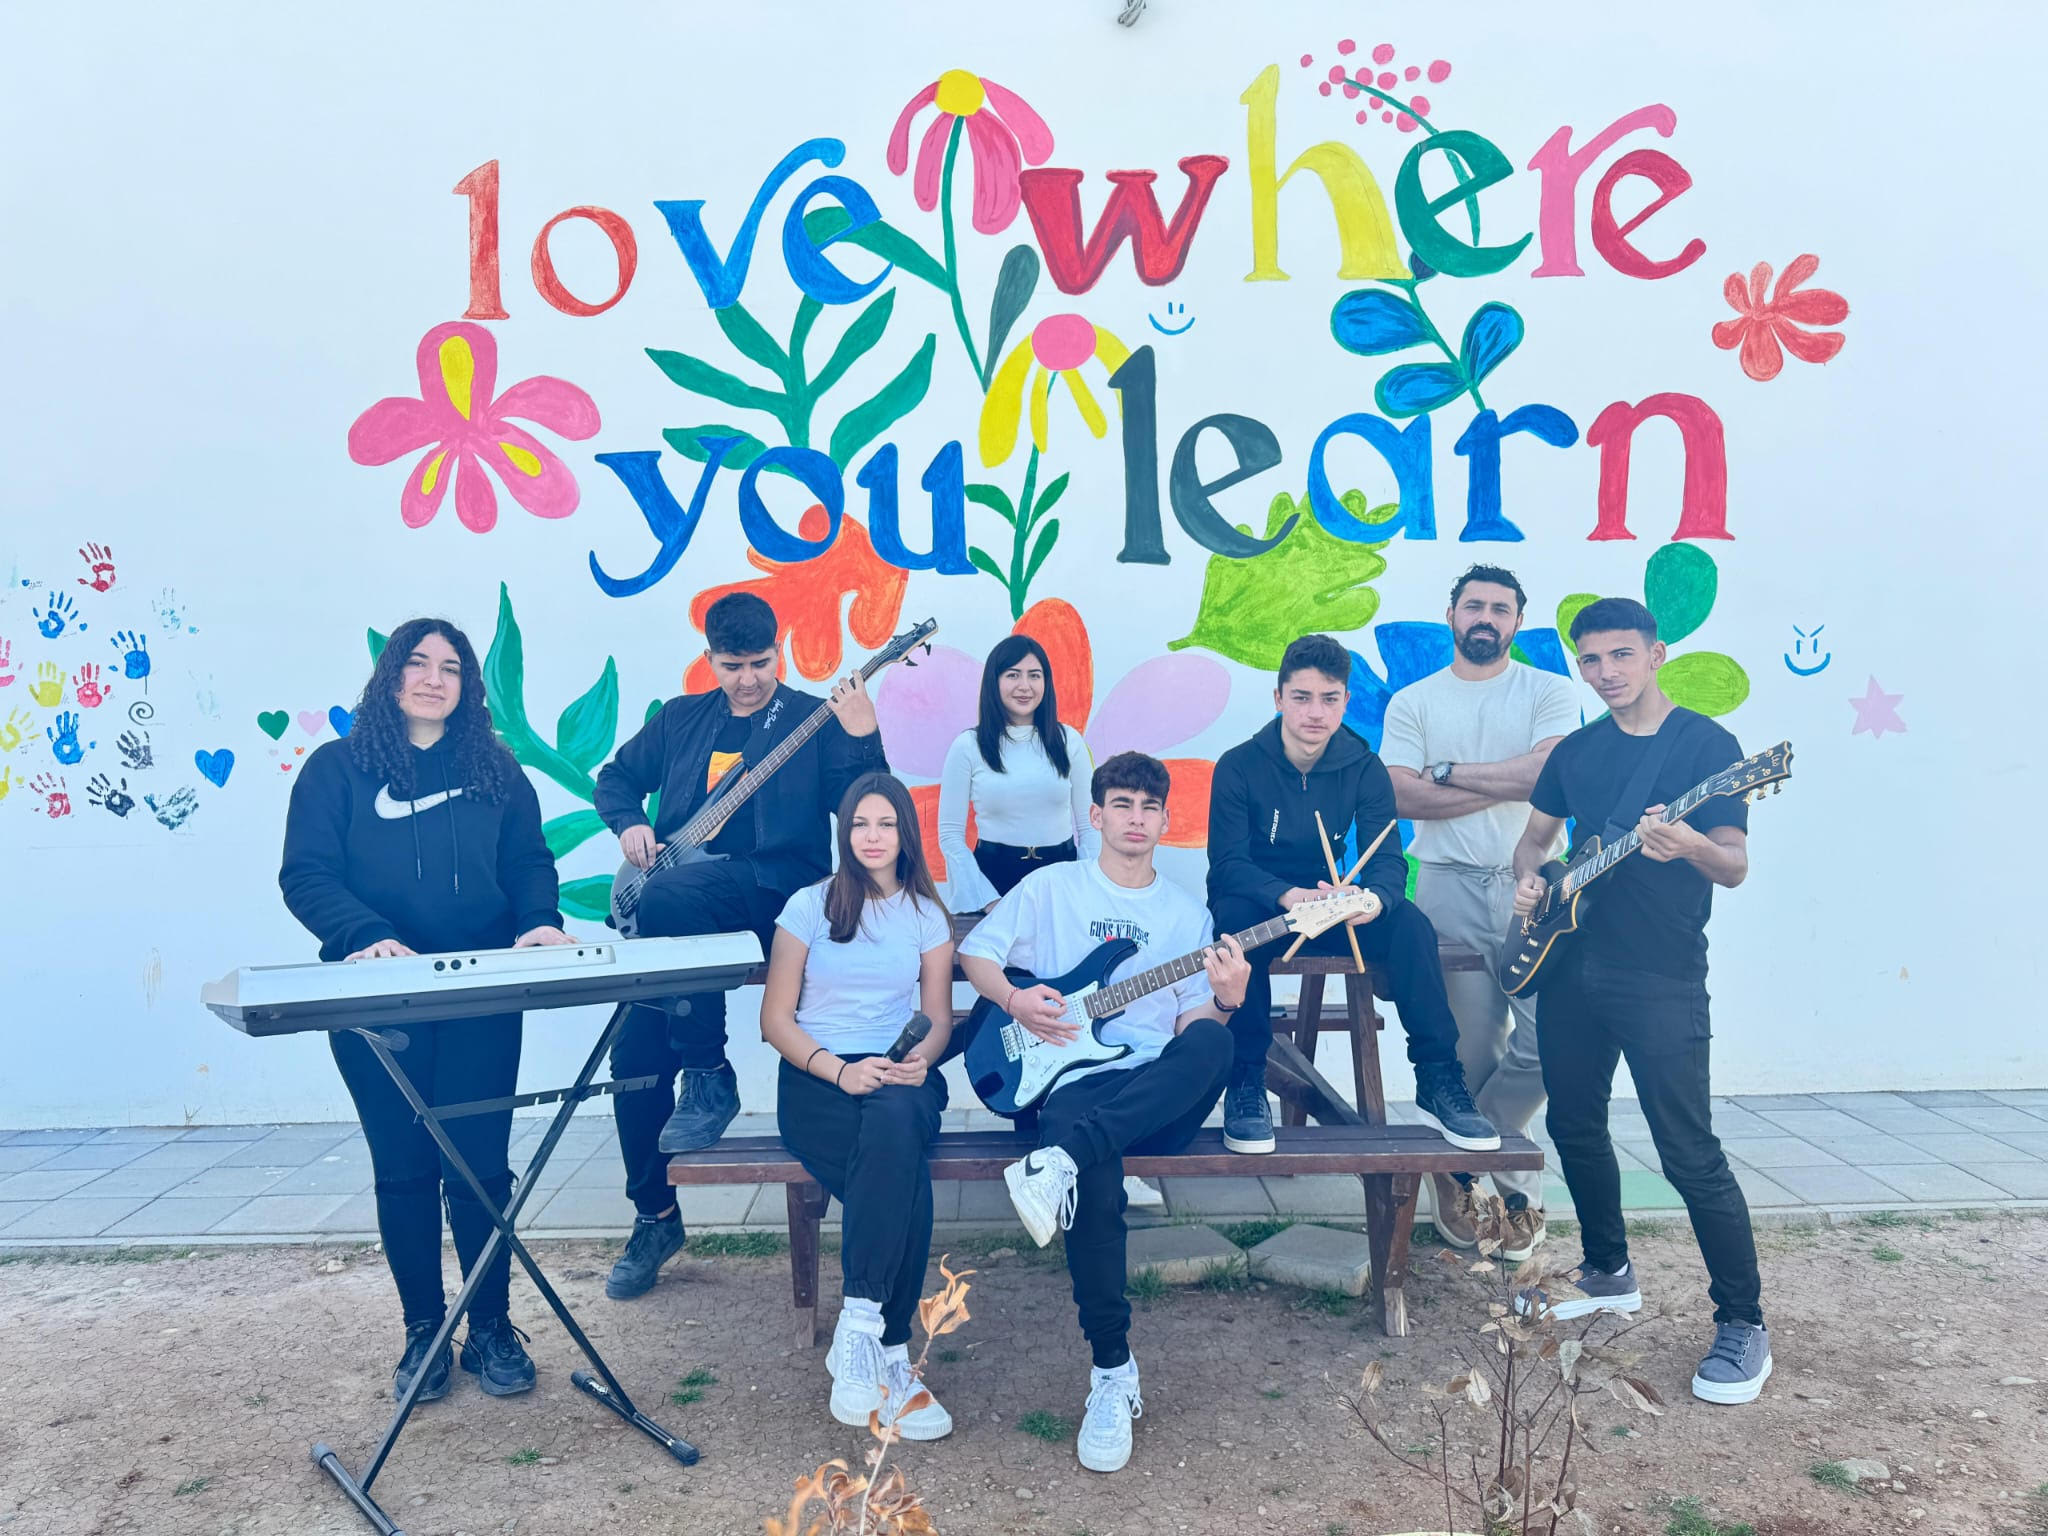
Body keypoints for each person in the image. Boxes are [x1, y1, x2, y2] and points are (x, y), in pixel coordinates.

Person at [280, 618, 577, 1404]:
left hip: (482, 997)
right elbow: (306, 874)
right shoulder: (336, 769)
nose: (433, 679)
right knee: (405, 1168)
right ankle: (425, 1331)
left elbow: (528, 860)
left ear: (467, 686)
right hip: (376, 1000)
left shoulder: (496, 767)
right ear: (390, 675)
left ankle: (491, 1329)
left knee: (480, 1169)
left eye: (450, 668)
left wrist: (538, 921)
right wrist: (364, 935)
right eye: (417, 663)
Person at [959, 752, 1251, 1475]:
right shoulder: (1050, 888)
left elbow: (1190, 1031)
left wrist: (1226, 999)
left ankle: (1058, 1160)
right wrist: (1015, 1000)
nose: (1135, 819)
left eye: (1149, 808)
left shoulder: (1187, 915)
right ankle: (1113, 1371)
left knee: (1216, 1041)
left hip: (1155, 1089)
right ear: (1096, 815)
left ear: (1165, 820)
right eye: (1122, 804)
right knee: (1094, 1167)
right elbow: (977, 955)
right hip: (1073, 1079)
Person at [1508, 597, 1769, 1405]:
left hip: (1661, 975)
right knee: (1573, 1124)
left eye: (1621, 654)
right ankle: (1608, 1270)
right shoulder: (1577, 751)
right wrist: (1531, 883)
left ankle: (1743, 1322)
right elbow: (1535, 842)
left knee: (1688, 1151)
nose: (1606, 672)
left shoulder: (1708, 748)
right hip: (1571, 968)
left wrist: (1689, 845)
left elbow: (1734, 864)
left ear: (1656, 655)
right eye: (1591, 659)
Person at [592, 591, 886, 1301]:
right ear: (710, 660)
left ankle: (708, 1069)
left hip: (771, 891)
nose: (748, 679)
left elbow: (867, 810)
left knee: (670, 898)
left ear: (778, 653)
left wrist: (863, 735)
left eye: (760, 663)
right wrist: (630, 823)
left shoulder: (811, 719)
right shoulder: (680, 718)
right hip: (677, 906)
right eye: (732, 665)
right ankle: (655, 1217)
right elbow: (617, 778)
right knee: (633, 1059)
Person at [1205, 634, 1498, 1155]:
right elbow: (1227, 864)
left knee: (1410, 924)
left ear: (1345, 700)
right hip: (1263, 906)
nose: (1315, 712)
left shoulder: (1364, 768)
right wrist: (1287, 895)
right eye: (1301, 697)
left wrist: (1373, 900)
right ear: (1278, 698)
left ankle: (1438, 1078)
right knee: (1233, 924)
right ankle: (1246, 1082)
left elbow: (1387, 859)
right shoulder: (1238, 765)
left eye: (1329, 698)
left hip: (1331, 903)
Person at [1380, 566, 1580, 1261]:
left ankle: (1461, 1159)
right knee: (1469, 1049)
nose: (1485, 617)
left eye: (1500, 608)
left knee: (1555, 1041)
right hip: (1447, 884)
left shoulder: (1549, 692)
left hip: (1537, 885)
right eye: (1474, 606)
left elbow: (1549, 775)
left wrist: (1447, 773)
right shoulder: (1414, 701)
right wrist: (1509, 779)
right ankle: (1494, 1194)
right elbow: (1400, 796)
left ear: (1517, 621)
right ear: (1452, 615)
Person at [761, 773, 956, 1440]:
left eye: (887, 824)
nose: (873, 837)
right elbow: (776, 1020)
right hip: (818, 1077)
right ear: (844, 833)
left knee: (897, 1119)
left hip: (899, 1071)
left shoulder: (926, 915)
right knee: (904, 1181)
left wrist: (919, 1060)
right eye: (860, 824)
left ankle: (861, 1323)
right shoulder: (808, 906)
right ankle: (893, 1354)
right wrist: (841, 1072)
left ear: (906, 833)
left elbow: (937, 1018)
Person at [938, 637, 1160, 1210]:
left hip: (1062, 875)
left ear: (1047, 683)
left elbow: (1089, 829)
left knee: (1070, 1010)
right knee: (1016, 1009)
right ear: (994, 682)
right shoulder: (969, 747)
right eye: (1012, 674)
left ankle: (1080, 1153)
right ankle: (1030, 1143)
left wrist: (1092, 890)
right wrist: (989, 902)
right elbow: (949, 837)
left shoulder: (1069, 742)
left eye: (1035, 674)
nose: (1024, 685)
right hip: (993, 882)